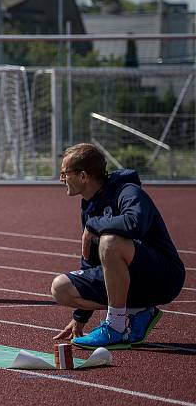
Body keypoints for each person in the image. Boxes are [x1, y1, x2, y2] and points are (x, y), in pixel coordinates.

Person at [51, 143, 185, 349]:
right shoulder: (89, 204)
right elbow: (90, 259)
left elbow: (135, 224)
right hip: (130, 281)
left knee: (110, 242)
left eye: (64, 173)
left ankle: (116, 326)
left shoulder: (127, 191)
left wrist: (93, 225)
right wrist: (80, 317)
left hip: (163, 276)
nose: (61, 179)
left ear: (83, 175)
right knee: (61, 288)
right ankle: (136, 313)